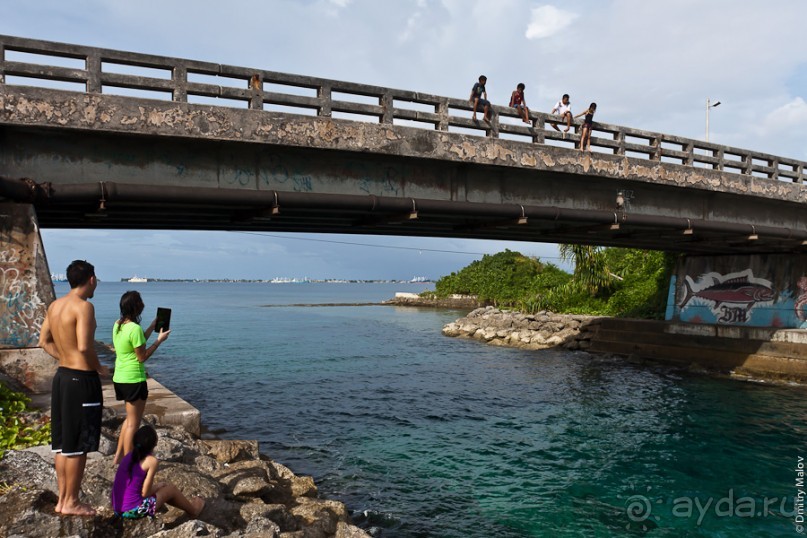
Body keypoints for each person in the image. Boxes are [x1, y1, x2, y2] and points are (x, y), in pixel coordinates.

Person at [38, 260, 110, 516]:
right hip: (82, 381)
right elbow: (84, 346)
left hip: (63, 378)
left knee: (63, 444)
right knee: (79, 445)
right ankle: (72, 502)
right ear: (91, 279)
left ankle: (63, 500)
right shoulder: (84, 307)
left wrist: (65, 358)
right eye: (95, 279)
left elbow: (43, 341)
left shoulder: (55, 306)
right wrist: (99, 368)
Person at [112, 291, 171, 465]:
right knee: (133, 424)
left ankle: (118, 457)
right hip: (134, 379)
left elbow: (137, 343)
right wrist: (159, 341)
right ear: (136, 306)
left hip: (120, 377)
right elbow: (142, 356)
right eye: (141, 302)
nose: (143, 304)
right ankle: (129, 462)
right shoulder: (135, 329)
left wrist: (153, 326)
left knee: (129, 419)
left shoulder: (118, 325)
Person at [111, 425, 205, 519]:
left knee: (163, 491)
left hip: (117, 508)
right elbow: (145, 493)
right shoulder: (151, 461)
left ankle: (186, 507)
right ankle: (194, 511)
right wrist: (157, 486)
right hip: (133, 511)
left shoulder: (128, 456)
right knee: (171, 489)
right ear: (154, 444)